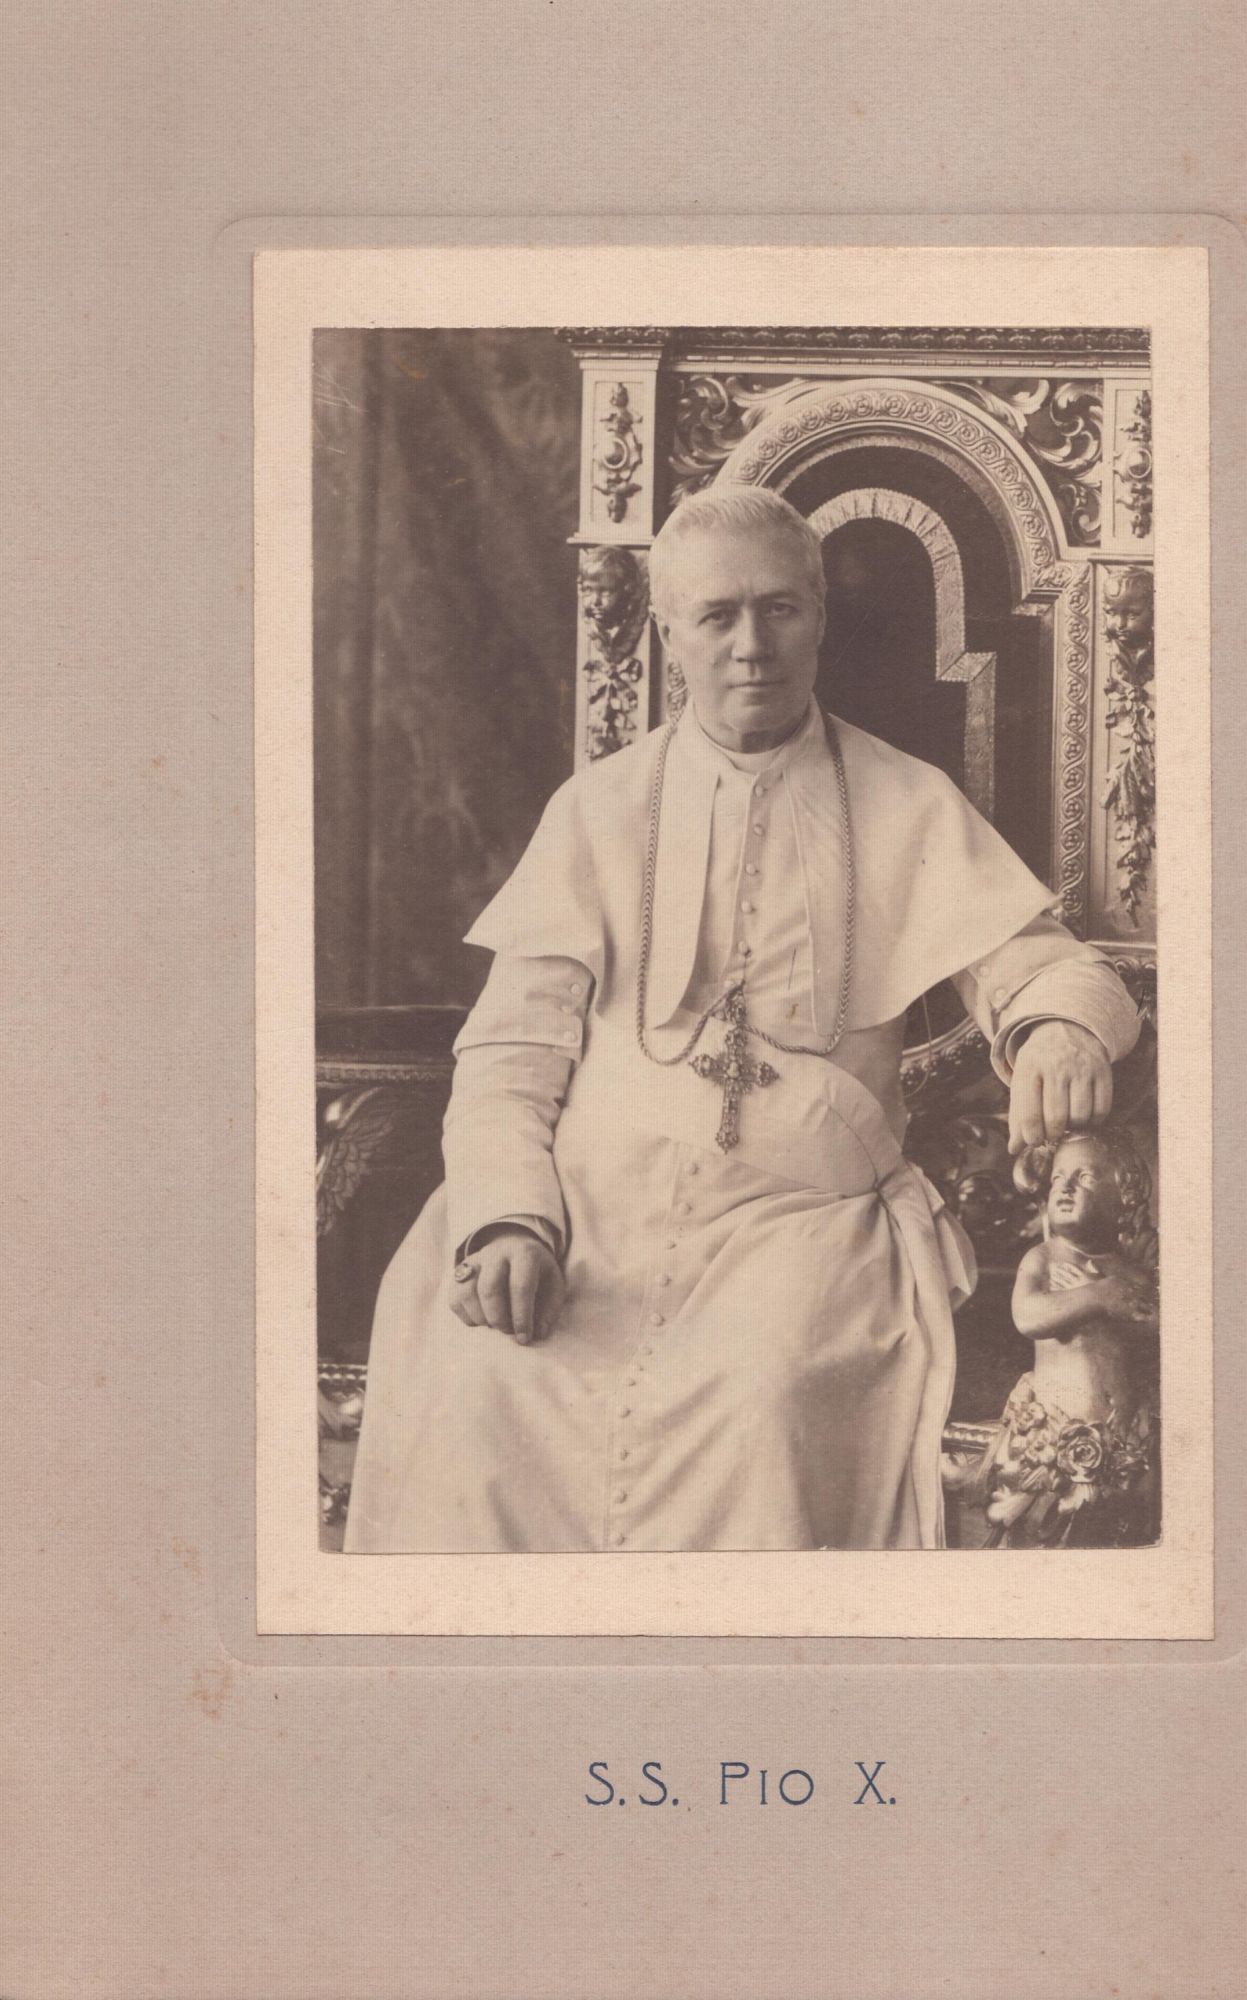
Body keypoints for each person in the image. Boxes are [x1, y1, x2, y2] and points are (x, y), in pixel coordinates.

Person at [345, 487, 1141, 1553]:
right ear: (667, 631)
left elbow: (1048, 968)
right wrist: (506, 1217)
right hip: (586, 1207)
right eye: (716, 616)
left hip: (797, 1220)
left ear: (819, 616)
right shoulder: (597, 809)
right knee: (481, 1386)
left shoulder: (904, 800)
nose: (751, 646)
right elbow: (508, 1056)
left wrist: (1056, 1028)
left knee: (762, 1405)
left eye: (779, 609)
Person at [963, 1127, 1159, 1549]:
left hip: (1123, 1441)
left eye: (1084, 1177)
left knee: (1116, 1535)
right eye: (1057, 1178)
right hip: (1050, 1439)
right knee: (1040, 1531)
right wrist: (1097, 1296)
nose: (1065, 1187)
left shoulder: (1132, 1272)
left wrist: (1121, 1301)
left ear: (1123, 1199)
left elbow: (1155, 1330)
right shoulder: (1044, 1259)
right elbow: (1028, 1316)